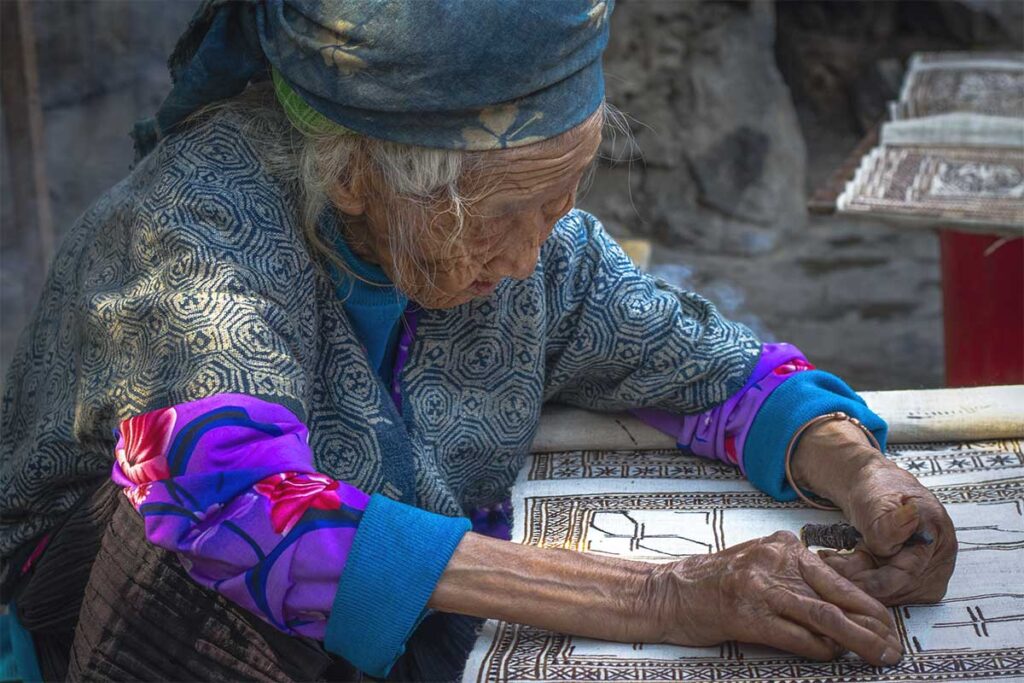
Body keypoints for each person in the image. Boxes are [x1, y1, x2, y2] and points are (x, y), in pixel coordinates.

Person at [0, 1, 956, 680]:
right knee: (195, 534)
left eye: (564, 194)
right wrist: (669, 597)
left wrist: (864, 473)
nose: (541, 241)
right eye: (509, 207)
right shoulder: (195, 224)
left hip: (368, 651)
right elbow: (239, 511)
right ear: (357, 179)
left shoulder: (529, 249)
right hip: (105, 635)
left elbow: (712, 369)